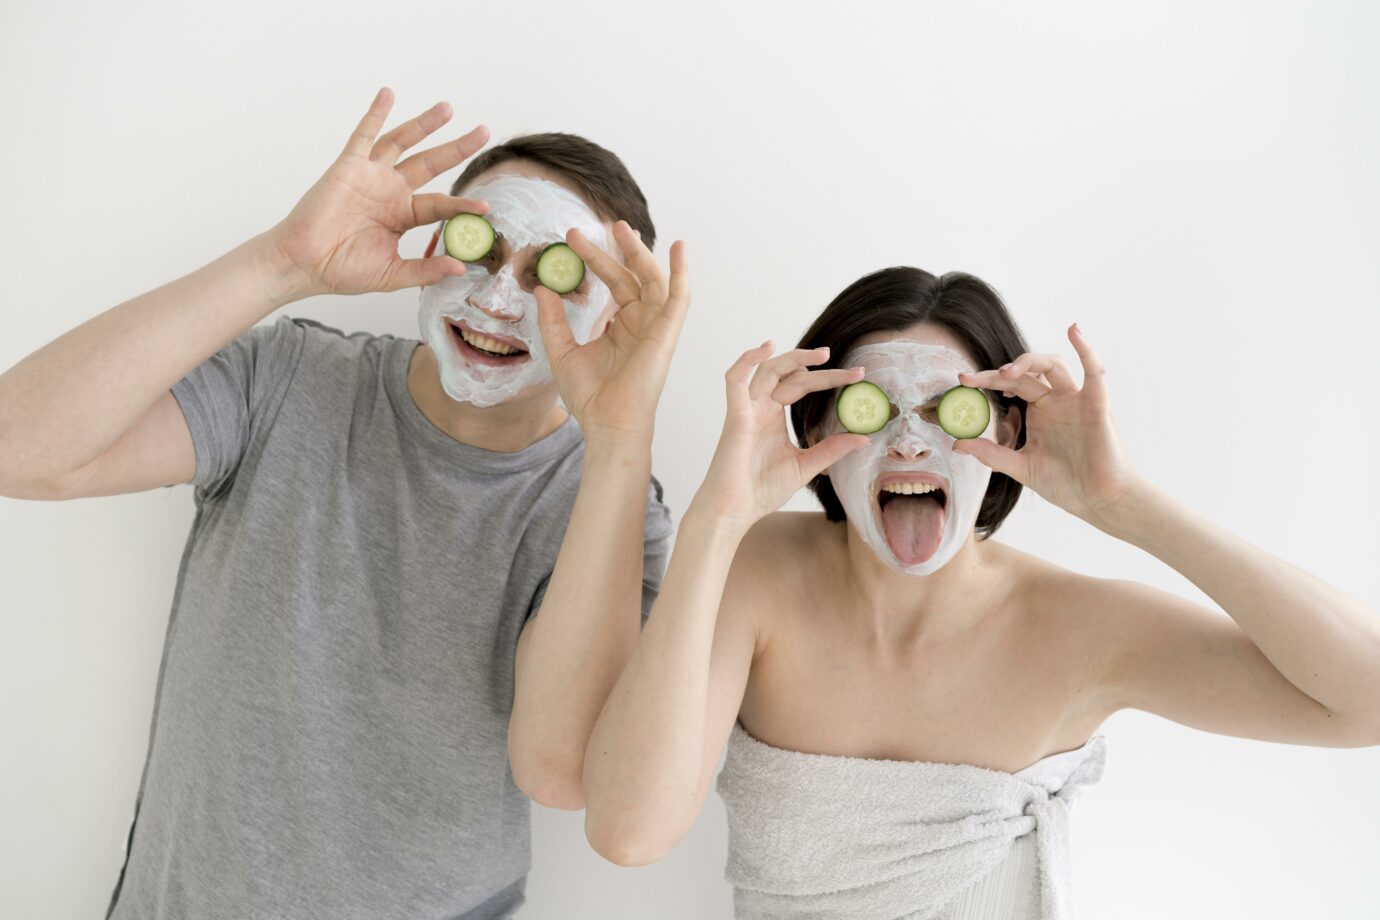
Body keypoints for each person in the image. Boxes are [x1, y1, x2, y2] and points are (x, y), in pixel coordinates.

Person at [0, 87, 687, 919]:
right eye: (482, 249)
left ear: (613, 316)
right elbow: (19, 450)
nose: (500, 301)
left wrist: (620, 436)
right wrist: (282, 263)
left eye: (552, 274)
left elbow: (558, 769)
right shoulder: (287, 380)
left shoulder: (614, 506)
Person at [579, 266, 1380, 919]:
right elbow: (628, 832)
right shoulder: (759, 570)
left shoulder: (1080, 627)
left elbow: (1366, 700)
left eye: (947, 409)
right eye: (873, 410)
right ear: (817, 430)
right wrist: (716, 521)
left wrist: (1124, 504)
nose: (910, 441)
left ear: (1006, 430)